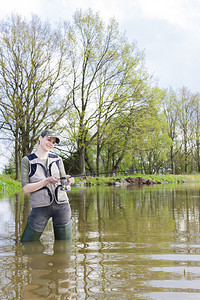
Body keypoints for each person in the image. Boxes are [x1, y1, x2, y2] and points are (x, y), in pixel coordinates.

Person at [21, 129, 74, 242]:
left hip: (62, 207)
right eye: (48, 140)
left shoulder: (57, 159)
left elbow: (64, 182)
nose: (51, 143)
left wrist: (68, 181)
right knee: (27, 243)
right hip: (40, 208)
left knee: (64, 247)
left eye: (53, 142)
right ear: (40, 138)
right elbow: (26, 189)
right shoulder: (27, 160)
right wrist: (46, 181)